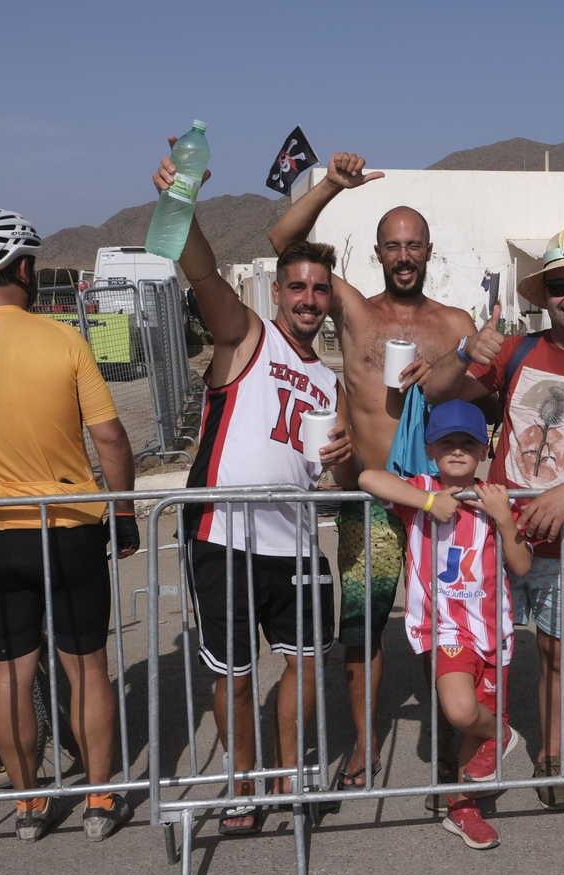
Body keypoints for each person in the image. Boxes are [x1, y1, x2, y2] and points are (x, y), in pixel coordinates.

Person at [0, 209, 140, 843]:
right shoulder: (62, 339)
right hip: (66, 522)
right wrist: (121, 512)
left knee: (11, 671)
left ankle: (28, 804)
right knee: (86, 666)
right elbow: (111, 438)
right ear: (23, 268)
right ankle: (99, 798)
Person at [152, 152, 356, 833]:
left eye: (318, 290)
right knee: (236, 673)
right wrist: (183, 207)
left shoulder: (330, 383)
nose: (307, 299)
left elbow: (337, 480)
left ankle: (288, 772)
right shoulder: (246, 336)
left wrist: (346, 460)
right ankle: (242, 781)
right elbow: (203, 273)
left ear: (328, 299)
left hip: (295, 541)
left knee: (305, 663)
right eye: (296, 287)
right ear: (277, 293)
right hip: (224, 537)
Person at [423, 215, 564, 810]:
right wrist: (462, 351)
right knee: (472, 648)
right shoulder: (517, 351)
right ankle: (468, 760)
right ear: (545, 295)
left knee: (560, 652)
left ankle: (551, 754)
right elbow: (441, 397)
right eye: (559, 286)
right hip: (491, 536)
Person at [268, 151, 475, 792]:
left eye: (414, 245)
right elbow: (284, 243)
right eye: (393, 246)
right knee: (360, 631)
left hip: (439, 506)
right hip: (371, 504)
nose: (405, 256)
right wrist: (331, 184)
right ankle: (364, 746)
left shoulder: (455, 325)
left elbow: (481, 415)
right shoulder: (356, 311)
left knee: (449, 629)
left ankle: (451, 742)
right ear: (379, 253)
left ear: (429, 250)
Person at [357, 400, 532, 849]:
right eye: (447, 442)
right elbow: (368, 477)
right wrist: (429, 500)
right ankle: (502, 733)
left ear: (483, 449)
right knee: (459, 711)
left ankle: (463, 807)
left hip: (493, 631)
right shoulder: (419, 490)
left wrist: (503, 519)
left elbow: (521, 564)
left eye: (468, 443)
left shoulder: (495, 495)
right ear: (430, 449)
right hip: (445, 630)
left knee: (474, 723)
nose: (457, 451)